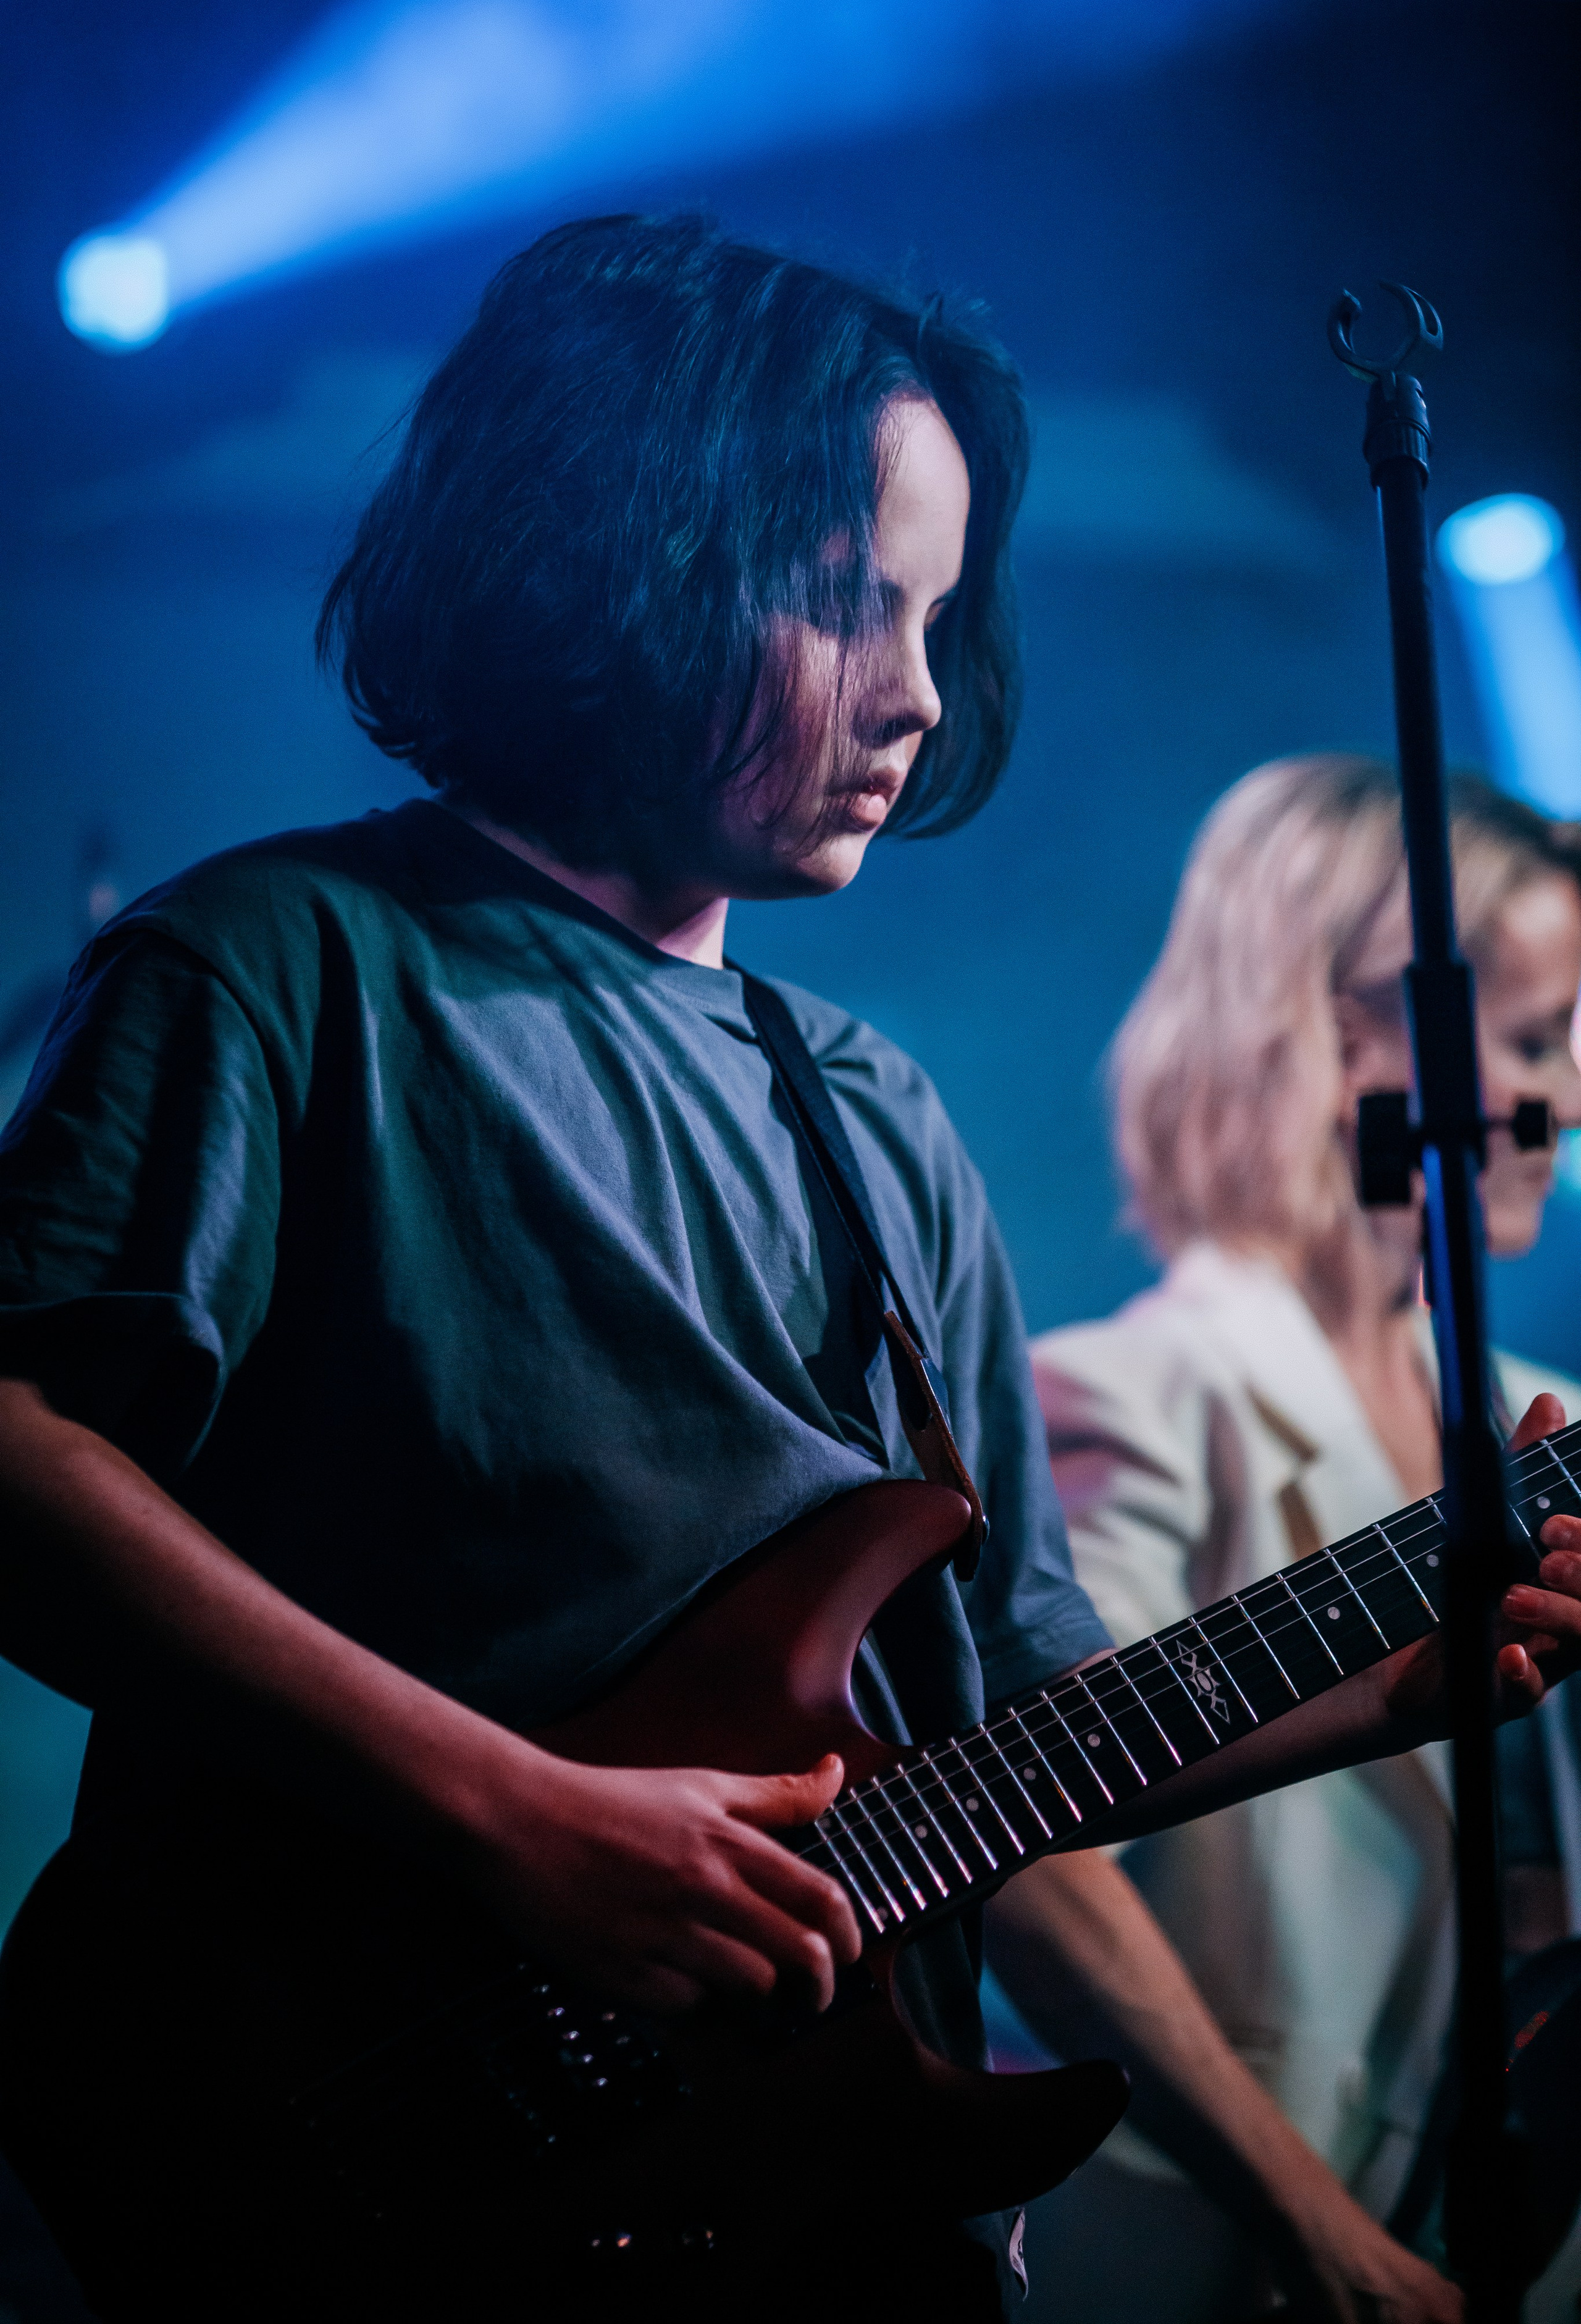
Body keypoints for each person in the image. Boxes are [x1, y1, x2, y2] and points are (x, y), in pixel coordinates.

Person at [0, 231, 1577, 2324]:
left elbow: (997, 1720)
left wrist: (1377, 1698)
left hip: (809, 2222)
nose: (921, 692)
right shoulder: (273, 972)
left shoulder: (873, 1118)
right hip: (331, 2133)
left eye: (934, 615)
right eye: (847, 600)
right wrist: (521, 1821)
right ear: (612, 558)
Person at [997, 757, 1581, 2323]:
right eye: (1537, 1039)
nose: (1574, 1096)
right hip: (1221, 2269)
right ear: (1338, 1034)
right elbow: (1023, 1863)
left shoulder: (1542, 1416)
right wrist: (1320, 2236)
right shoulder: (1134, 1393)